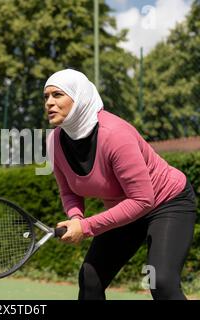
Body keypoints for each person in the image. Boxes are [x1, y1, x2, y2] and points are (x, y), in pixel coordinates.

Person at [44, 69, 197, 300]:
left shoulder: (115, 134)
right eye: (45, 97)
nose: (49, 103)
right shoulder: (53, 142)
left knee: (161, 281)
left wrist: (85, 228)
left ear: (80, 98)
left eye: (57, 95)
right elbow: (69, 191)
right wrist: (76, 217)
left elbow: (144, 199)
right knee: (90, 279)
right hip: (128, 207)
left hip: (167, 203)